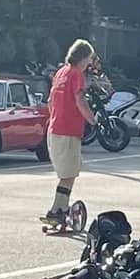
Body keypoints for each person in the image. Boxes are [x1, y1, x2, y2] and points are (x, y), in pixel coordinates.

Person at [43, 40, 99, 228]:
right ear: (83, 57)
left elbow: (50, 101)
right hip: (68, 131)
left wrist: (56, 116)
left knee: (67, 173)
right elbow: (80, 99)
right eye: (89, 58)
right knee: (69, 174)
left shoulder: (61, 73)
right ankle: (56, 210)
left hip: (55, 129)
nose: (90, 62)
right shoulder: (76, 75)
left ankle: (61, 208)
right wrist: (92, 120)